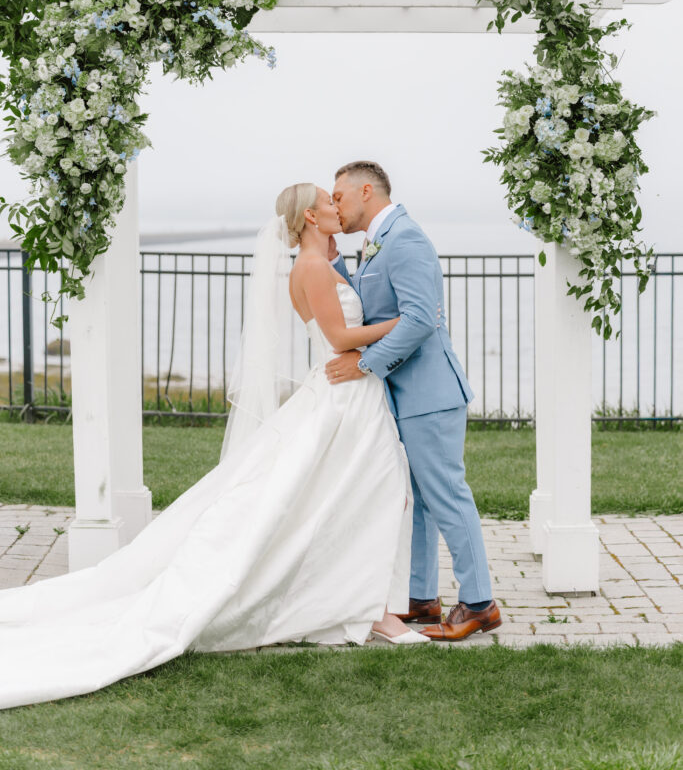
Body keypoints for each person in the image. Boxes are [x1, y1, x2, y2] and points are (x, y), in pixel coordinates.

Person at [0, 182, 426, 711]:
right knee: (369, 492)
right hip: (345, 395)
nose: (338, 207)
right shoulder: (312, 269)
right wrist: (406, 324)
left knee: (360, 497)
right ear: (311, 218)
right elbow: (339, 339)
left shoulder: (319, 264)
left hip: (348, 393)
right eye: (328, 201)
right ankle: (366, 609)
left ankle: (363, 605)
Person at [328, 161, 501, 641]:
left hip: (430, 393)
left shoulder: (405, 238)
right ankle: (420, 599)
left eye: (338, 196)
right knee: (418, 500)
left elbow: (421, 318)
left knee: (446, 495)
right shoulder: (376, 241)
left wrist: (365, 364)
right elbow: (373, 304)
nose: (333, 205)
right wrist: (335, 263)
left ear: (367, 190)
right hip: (405, 396)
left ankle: (480, 603)